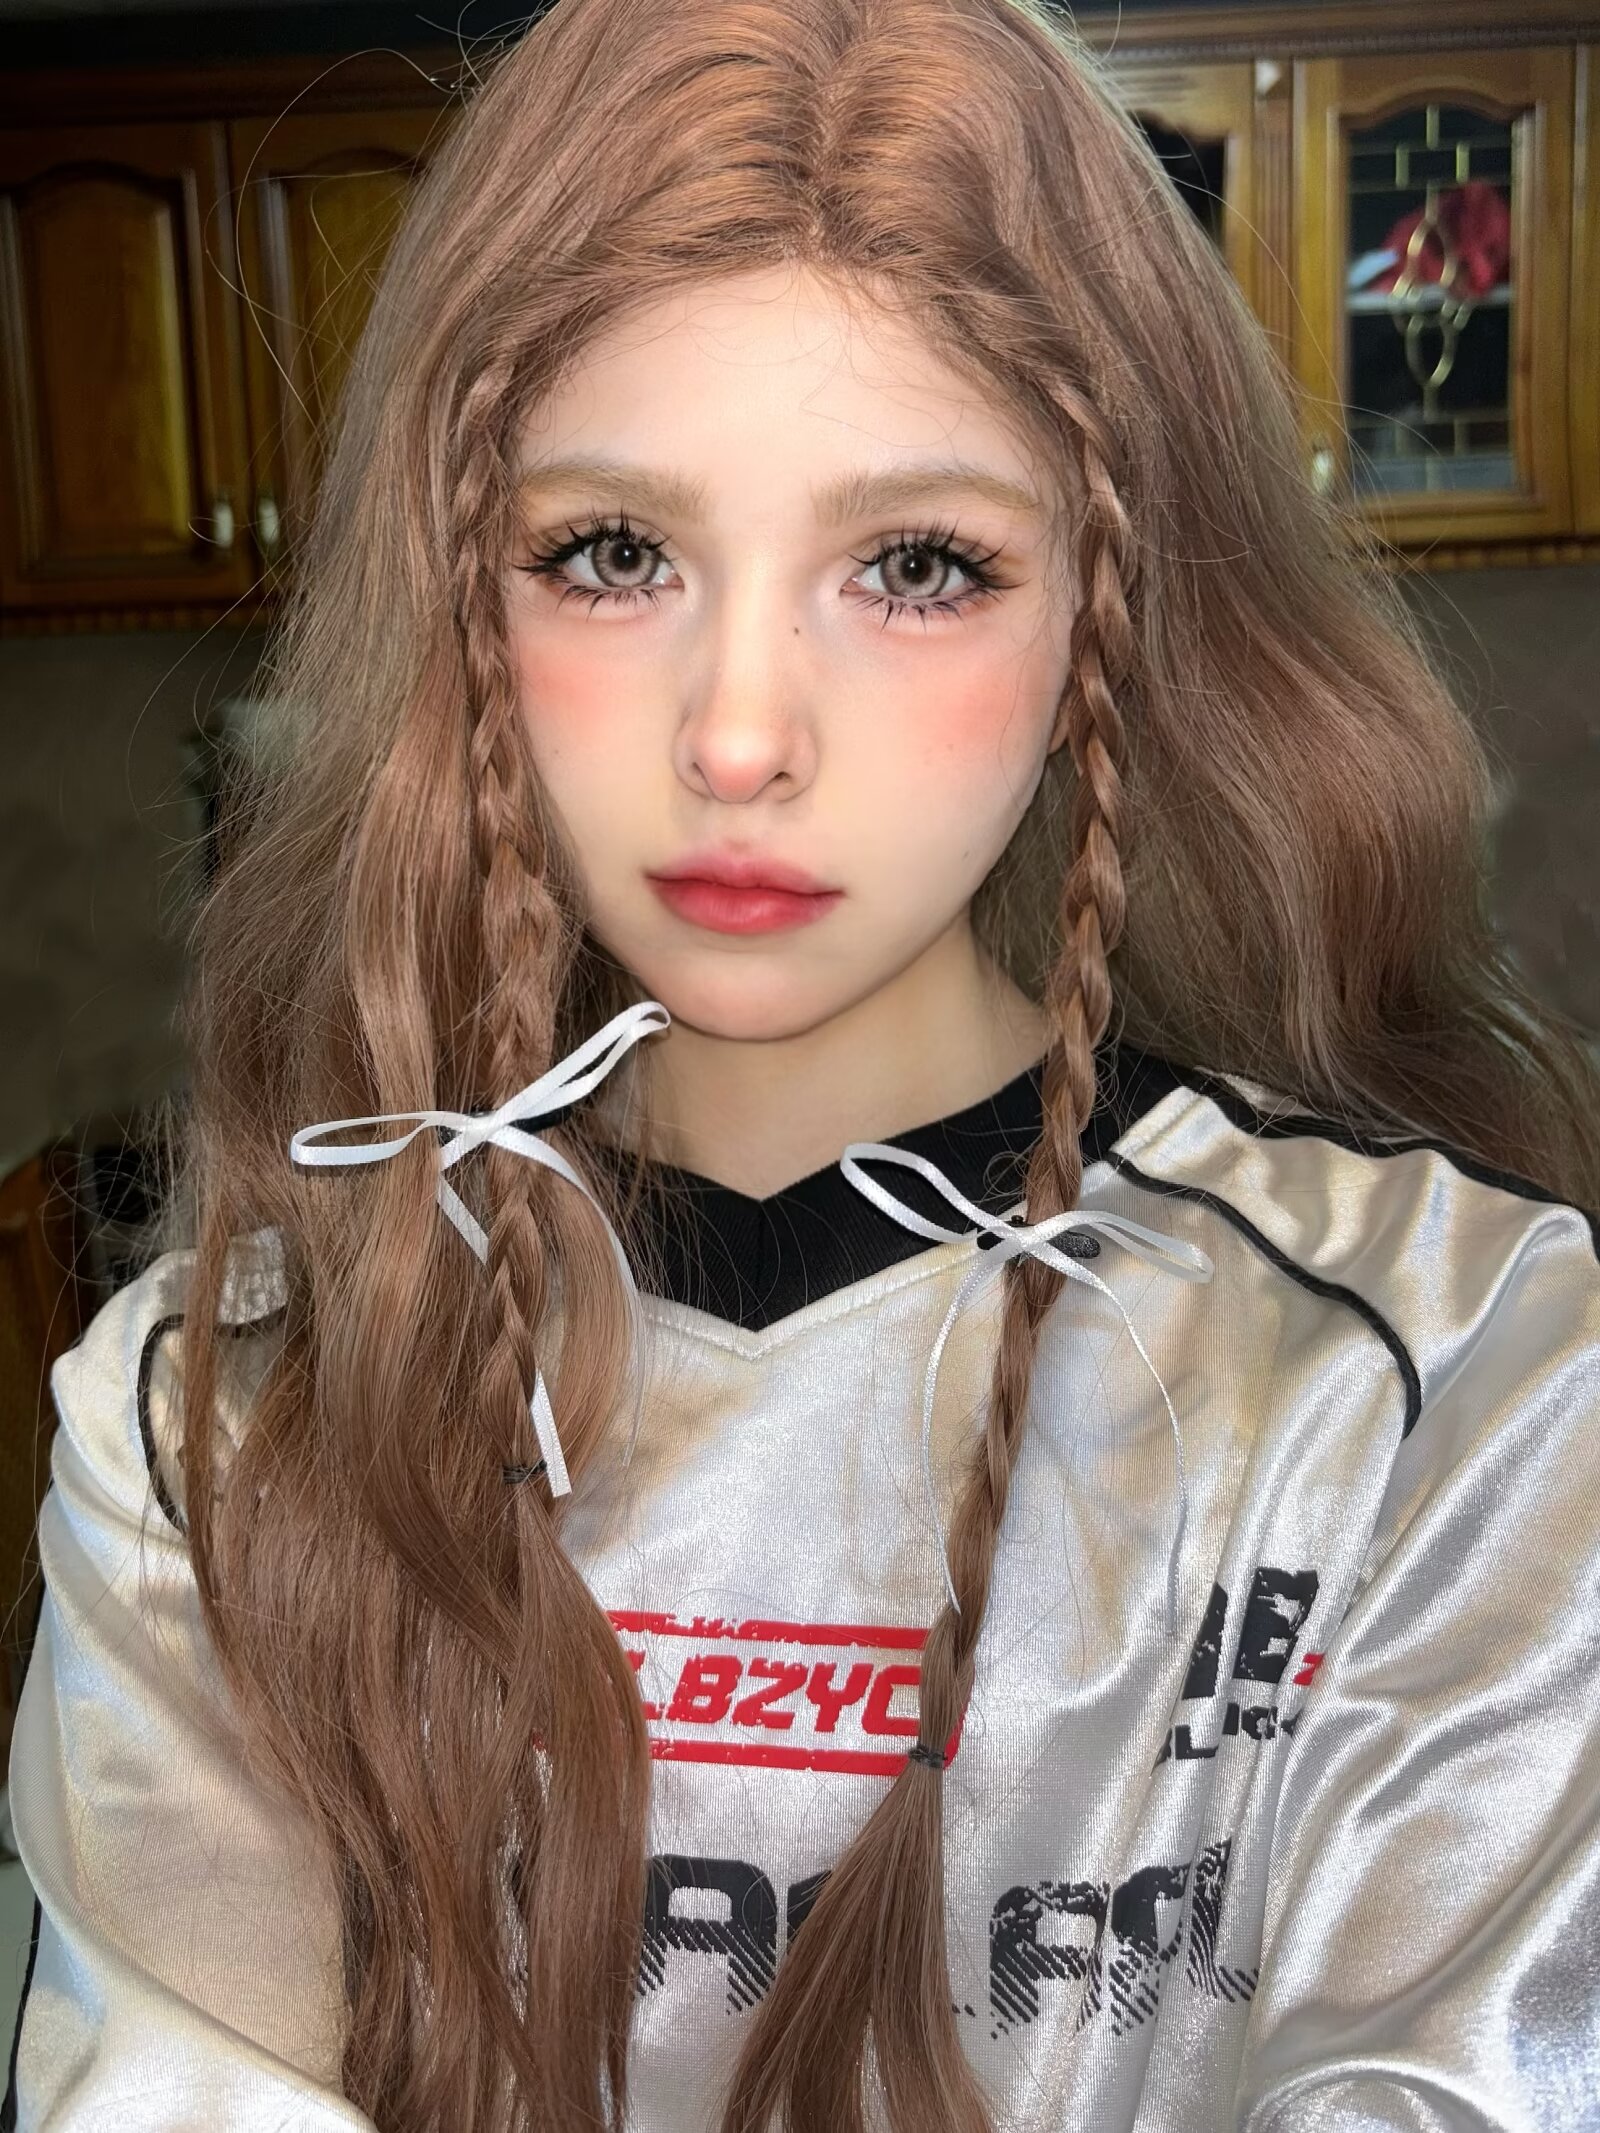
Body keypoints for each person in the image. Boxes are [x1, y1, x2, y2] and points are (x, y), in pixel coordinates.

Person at [7, 0, 1600, 2127]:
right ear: (462, 604)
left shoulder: (1455, 1371)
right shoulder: (214, 1420)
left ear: (1104, 613)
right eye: (611, 554)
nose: (739, 733)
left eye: (917, 566)